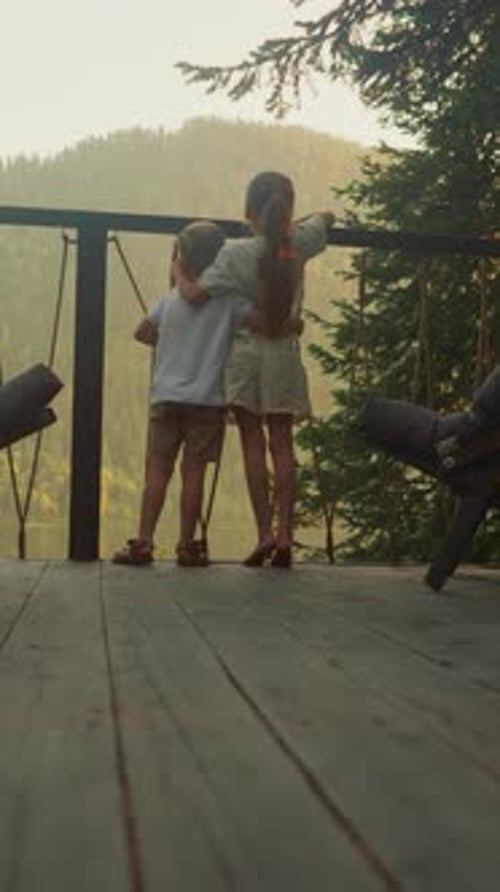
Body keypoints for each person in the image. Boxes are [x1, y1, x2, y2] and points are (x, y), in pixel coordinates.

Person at [174, 171, 334, 568]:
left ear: (249, 210)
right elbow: (328, 217)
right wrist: (301, 223)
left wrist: (179, 269)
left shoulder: (232, 254)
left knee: (252, 443)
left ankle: (264, 534)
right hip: (283, 356)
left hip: (245, 358)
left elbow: (194, 295)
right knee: (283, 443)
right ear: (288, 211)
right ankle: (286, 536)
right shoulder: (300, 241)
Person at [112, 220, 249, 567]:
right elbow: (257, 322)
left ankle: (144, 542)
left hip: (166, 398)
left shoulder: (170, 300)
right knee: (194, 473)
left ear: (181, 260)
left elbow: (142, 333)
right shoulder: (230, 302)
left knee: (157, 472)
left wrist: (171, 341)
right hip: (206, 401)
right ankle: (187, 545)